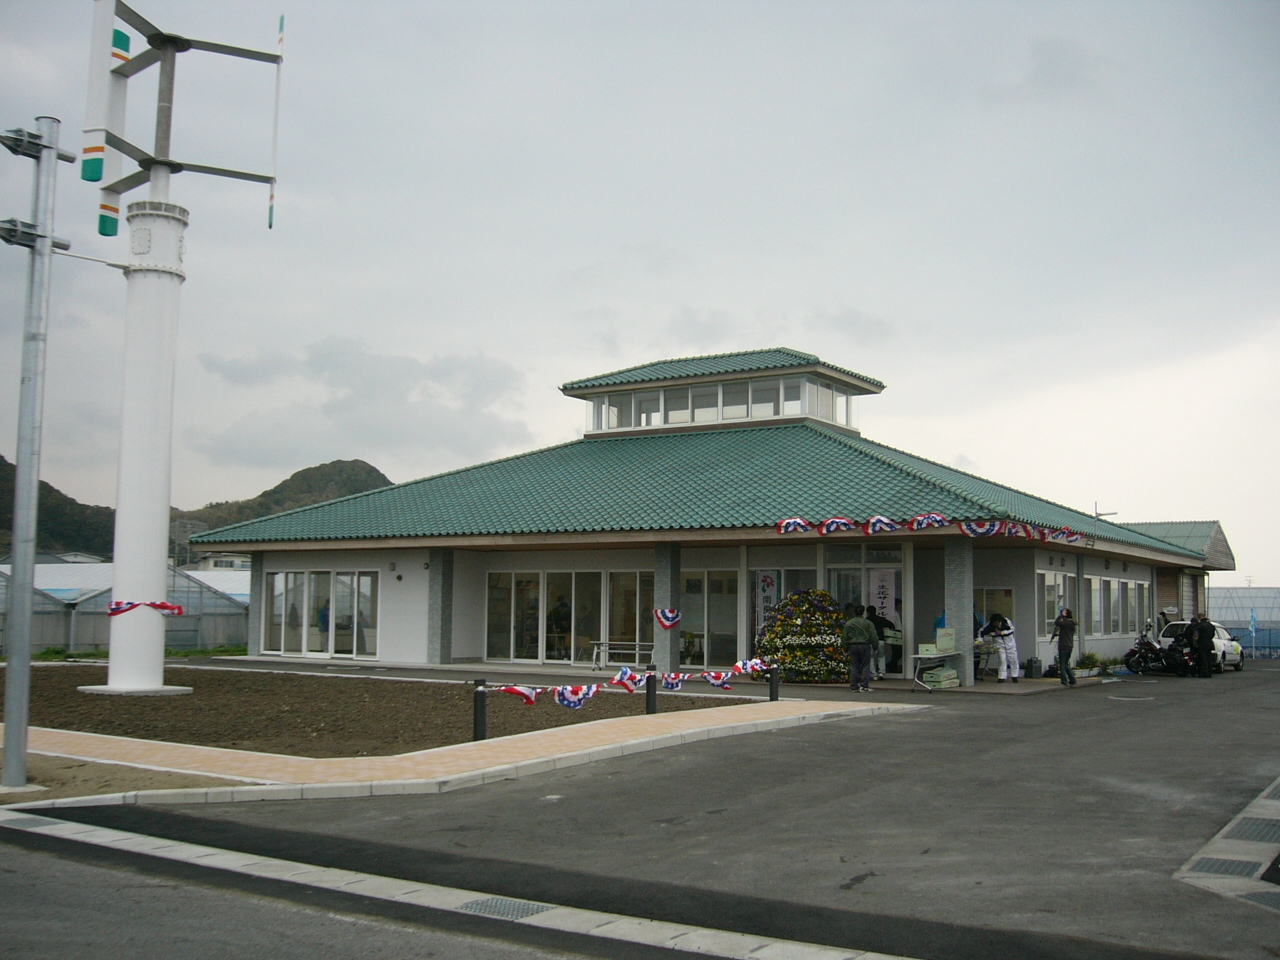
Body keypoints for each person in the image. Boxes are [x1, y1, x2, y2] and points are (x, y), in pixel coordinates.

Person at [842, 604, 878, 692]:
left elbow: (845, 637)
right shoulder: (868, 623)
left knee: (854, 666)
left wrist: (845, 648)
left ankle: (854, 686)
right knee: (865, 666)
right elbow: (873, 636)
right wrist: (875, 646)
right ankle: (864, 685)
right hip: (865, 645)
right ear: (863, 612)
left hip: (853, 645)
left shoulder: (849, 623)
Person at [980, 612, 1020, 683]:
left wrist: (1002, 633)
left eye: (997, 623)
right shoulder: (989, 625)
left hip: (1010, 644)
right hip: (999, 644)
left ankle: (1014, 676)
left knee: (1013, 659)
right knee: (1002, 660)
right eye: (994, 623)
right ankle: (1001, 677)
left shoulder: (1006, 621)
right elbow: (981, 631)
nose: (996, 624)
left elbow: (1012, 630)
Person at [867, 604, 895, 679]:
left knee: (871, 658)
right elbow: (891, 625)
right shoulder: (880, 619)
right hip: (881, 640)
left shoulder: (866, 620)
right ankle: (881, 673)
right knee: (881, 657)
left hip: (871, 641)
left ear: (867, 612)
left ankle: (874, 675)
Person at [1051, 608, 1078, 687]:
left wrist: (1061, 616)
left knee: (1062, 664)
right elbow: (1067, 633)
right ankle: (1072, 680)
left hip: (1063, 645)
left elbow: (1056, 623)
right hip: (1070, 645)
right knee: (1065, 664)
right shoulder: (1072, 623)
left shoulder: (1066, 623)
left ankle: (1064, 681)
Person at [1191, 612, 1216, 678]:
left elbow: (1195, 634)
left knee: (1203, 659)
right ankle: (1209, 673)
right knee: (1209, 659)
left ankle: (1204, 673)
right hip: (1209, 643)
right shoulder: (1211, 625)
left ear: (1200, 617)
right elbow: (1213, 634)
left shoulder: (1200, 625)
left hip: (1202, 644)